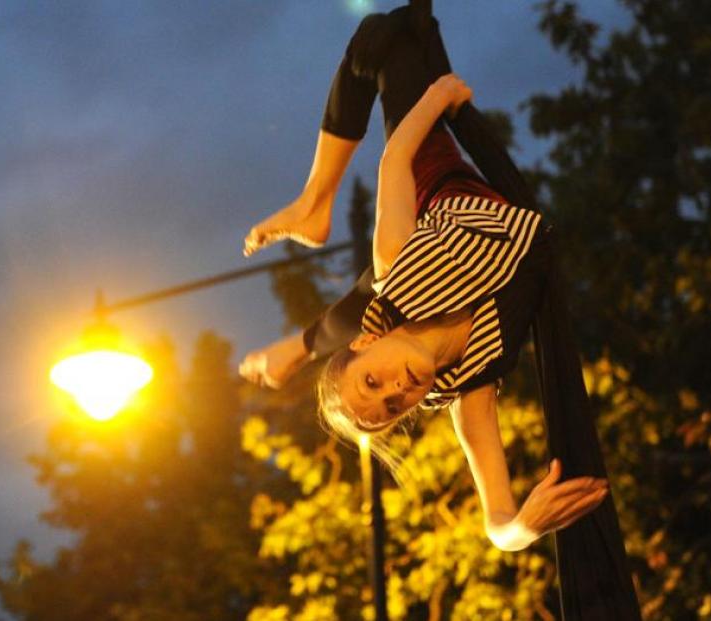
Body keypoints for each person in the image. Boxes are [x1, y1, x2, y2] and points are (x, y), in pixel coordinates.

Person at [240, 6, 643, 618]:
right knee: (392, 42)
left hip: (441, 185)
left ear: (369, 345)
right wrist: (523, 529)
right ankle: (300, 335)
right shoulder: (467, 389)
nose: (398, 389)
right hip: (513, 227)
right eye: (392, 406)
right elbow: (497, 522)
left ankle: (314, 203)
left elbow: (392, 162)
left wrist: (439, 95)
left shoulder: (397, 271)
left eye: (374, 381)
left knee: (381, 38)